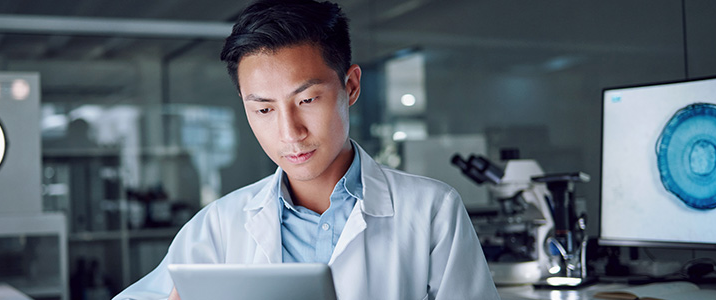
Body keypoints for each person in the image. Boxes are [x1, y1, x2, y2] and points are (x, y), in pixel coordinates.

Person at [113, 0, 499, 299]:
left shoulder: (432, 210)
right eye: (264, 109)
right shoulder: (219, 225)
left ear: (350, 86)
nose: (289, 132)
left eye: (308, 100)